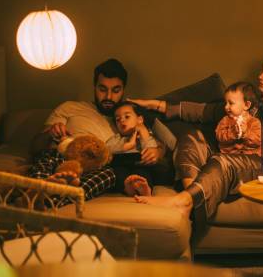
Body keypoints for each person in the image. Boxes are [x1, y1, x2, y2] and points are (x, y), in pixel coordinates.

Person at [130, 50, 263, 230]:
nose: (261, 76)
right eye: (262, 71)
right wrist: (154, 104)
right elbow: (203, 111)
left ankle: (186, 200)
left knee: (223, 162)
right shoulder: (254, 101)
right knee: (190, 138)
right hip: (236, 156)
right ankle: (190, 199)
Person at [28, 58, 165, 204]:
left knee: (109, 174)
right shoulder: (70, 107)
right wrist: (50, 133)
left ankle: (50, 200)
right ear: (94, 87)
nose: (108, 97)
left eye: (116, 90)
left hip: (94, 170)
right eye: (102, 89)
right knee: (48, 158)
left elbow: (157, 143)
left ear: (123, 90)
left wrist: (158, 152)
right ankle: (34, 193)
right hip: (61, 156)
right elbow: (35, 147)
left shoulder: (128, 118)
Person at [107, 101, 160, 196]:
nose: (122, 121)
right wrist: (125, 146)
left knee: (144, 173)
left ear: (139, 119)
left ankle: (145, 189)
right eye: (118, 119)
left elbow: (150, 150)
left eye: (127, 117)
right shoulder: (117, 138)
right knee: (118, 172)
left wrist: (143, 132)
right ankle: (128, 188)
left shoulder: (145, 135)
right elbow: (106, 150)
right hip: (122, 164)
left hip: (140, 164)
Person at [215, 82, 261, 156]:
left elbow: (258, 141)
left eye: (231, 103)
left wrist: (246, 133)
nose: (226, 107)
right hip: (229, 156)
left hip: (250, 156)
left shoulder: (254, 122)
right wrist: (232, 133)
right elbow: (219, 136)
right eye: (225, 103)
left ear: (246, 105)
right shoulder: (225, 120)